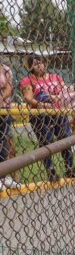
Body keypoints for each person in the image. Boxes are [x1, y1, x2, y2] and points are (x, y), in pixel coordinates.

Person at [19, 54, 75, 182]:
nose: (39, 65)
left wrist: (57, 98)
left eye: (40, 62)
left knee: (65, 138)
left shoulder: (56, 77)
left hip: (58, 113)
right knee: (46, 141)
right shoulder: (28, 80)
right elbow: (29, 98)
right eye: (35, 64)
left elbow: (63, 93)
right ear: (30, 67)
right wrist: (44, 103)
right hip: (40, 116)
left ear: (45, 63)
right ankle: (51, 170)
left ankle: (70, 168)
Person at [0, 61, 20, 190]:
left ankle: (3, 176)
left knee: (5, 143)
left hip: (4, 110)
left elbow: (8, 87)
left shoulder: (5, 68)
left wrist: (1, 98)